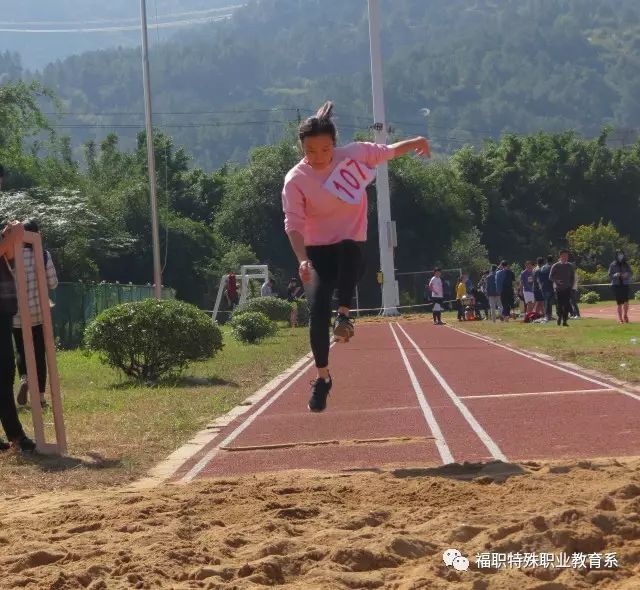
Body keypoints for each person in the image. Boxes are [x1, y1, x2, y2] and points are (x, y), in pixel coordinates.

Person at [281, 101, 430, 412]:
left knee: (349, 249)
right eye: (310, 151)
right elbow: (293, 224)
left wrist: (417, 141)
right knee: (317, 311)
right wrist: (302, 259)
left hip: (350, 248)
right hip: (316, 253)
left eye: (325, 149)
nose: (319, 156)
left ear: (335, 144)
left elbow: (388, 152)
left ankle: (345, 315)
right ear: (301, 147)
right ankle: (322, 378)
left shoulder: (353, 154)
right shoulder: (295, 179)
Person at [13, 220, 58, 407]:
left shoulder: (11, 255)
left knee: (21, 349)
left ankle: (24, 378)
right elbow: (53, 283)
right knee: (39, 353)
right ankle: (39, 397)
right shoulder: (44, 255)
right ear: (37, 234)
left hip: (16, 314)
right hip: (39, 313)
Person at [0, 220, 36, 452]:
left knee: (5, 372)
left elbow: (9, 257)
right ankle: (16, 434)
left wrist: (9, 237)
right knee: (3, 372)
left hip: (4, 310)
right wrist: (12, 237)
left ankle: (15, 434)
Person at [550, 249, 575, 327]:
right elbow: (550, 277)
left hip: (567, 288)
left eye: (567, 256)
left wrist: (571, 286)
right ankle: (559, 316)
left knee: (566, 305)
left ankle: (564, 321)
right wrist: (556, 281)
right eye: (564, 256)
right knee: (559, 305)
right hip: (558, 289)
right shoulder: (556, 266)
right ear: (560, 256)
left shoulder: (570, 266)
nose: (565, 257)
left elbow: (572, 277)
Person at [608, 250, 633, 324]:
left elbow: (631, 272)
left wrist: (627, 274)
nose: (620, 256)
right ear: (616, 255)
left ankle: (625, 315)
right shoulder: (613, 264)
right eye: (619, 254)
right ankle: (620, 319)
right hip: (616, 285)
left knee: (626, 301)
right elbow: (610, 275)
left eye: (621, 254)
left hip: (625, 284)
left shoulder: (626, 264)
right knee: (619, 303)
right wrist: (615, 275)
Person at [538, 255, 555, 322]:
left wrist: (541, 286)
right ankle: (548, 316)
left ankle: (547, 315)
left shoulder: (542, 268)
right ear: (552, 260)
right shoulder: (551, 267)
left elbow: (538, 279)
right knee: (549, 302)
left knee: (546, 302)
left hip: (543, 287)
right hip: (550, 286)